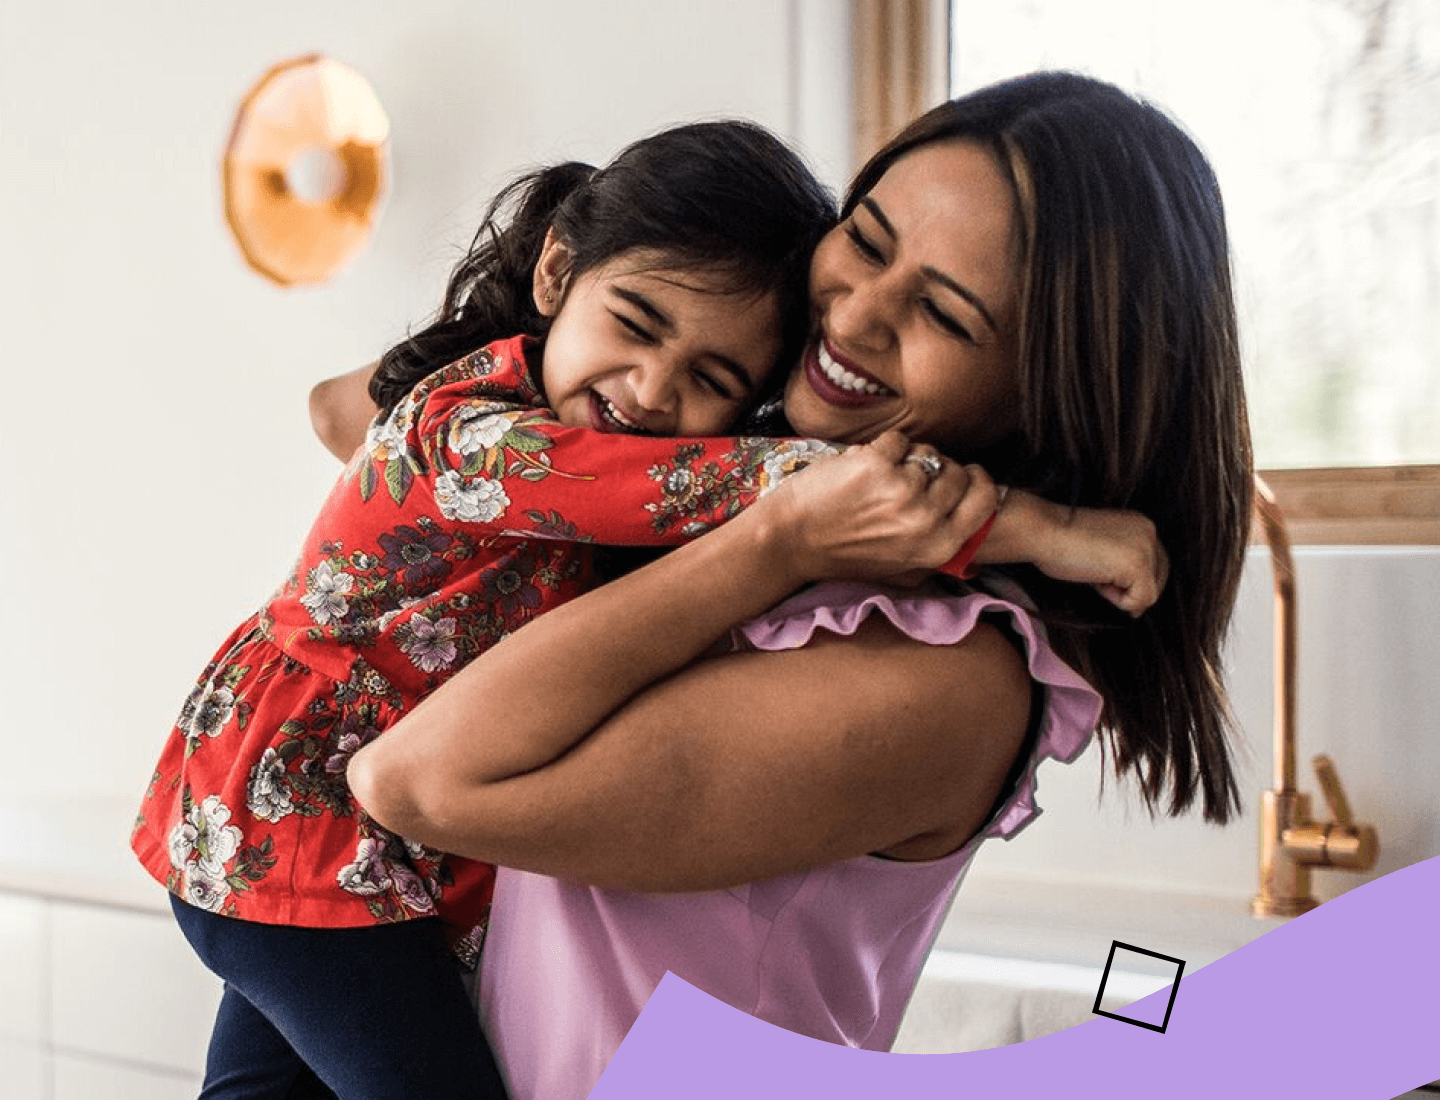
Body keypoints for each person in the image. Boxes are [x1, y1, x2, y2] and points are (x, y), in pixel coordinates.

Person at [133, 117, 1160, 1100]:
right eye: (636, 322)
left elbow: (782, 489)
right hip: (293, 812)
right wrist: (1047, 524)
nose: (656, 391)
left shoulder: (932, 661)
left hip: (314, 823)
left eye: (713, 374)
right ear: (555, 270)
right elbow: (780, 489)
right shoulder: (501, 440)